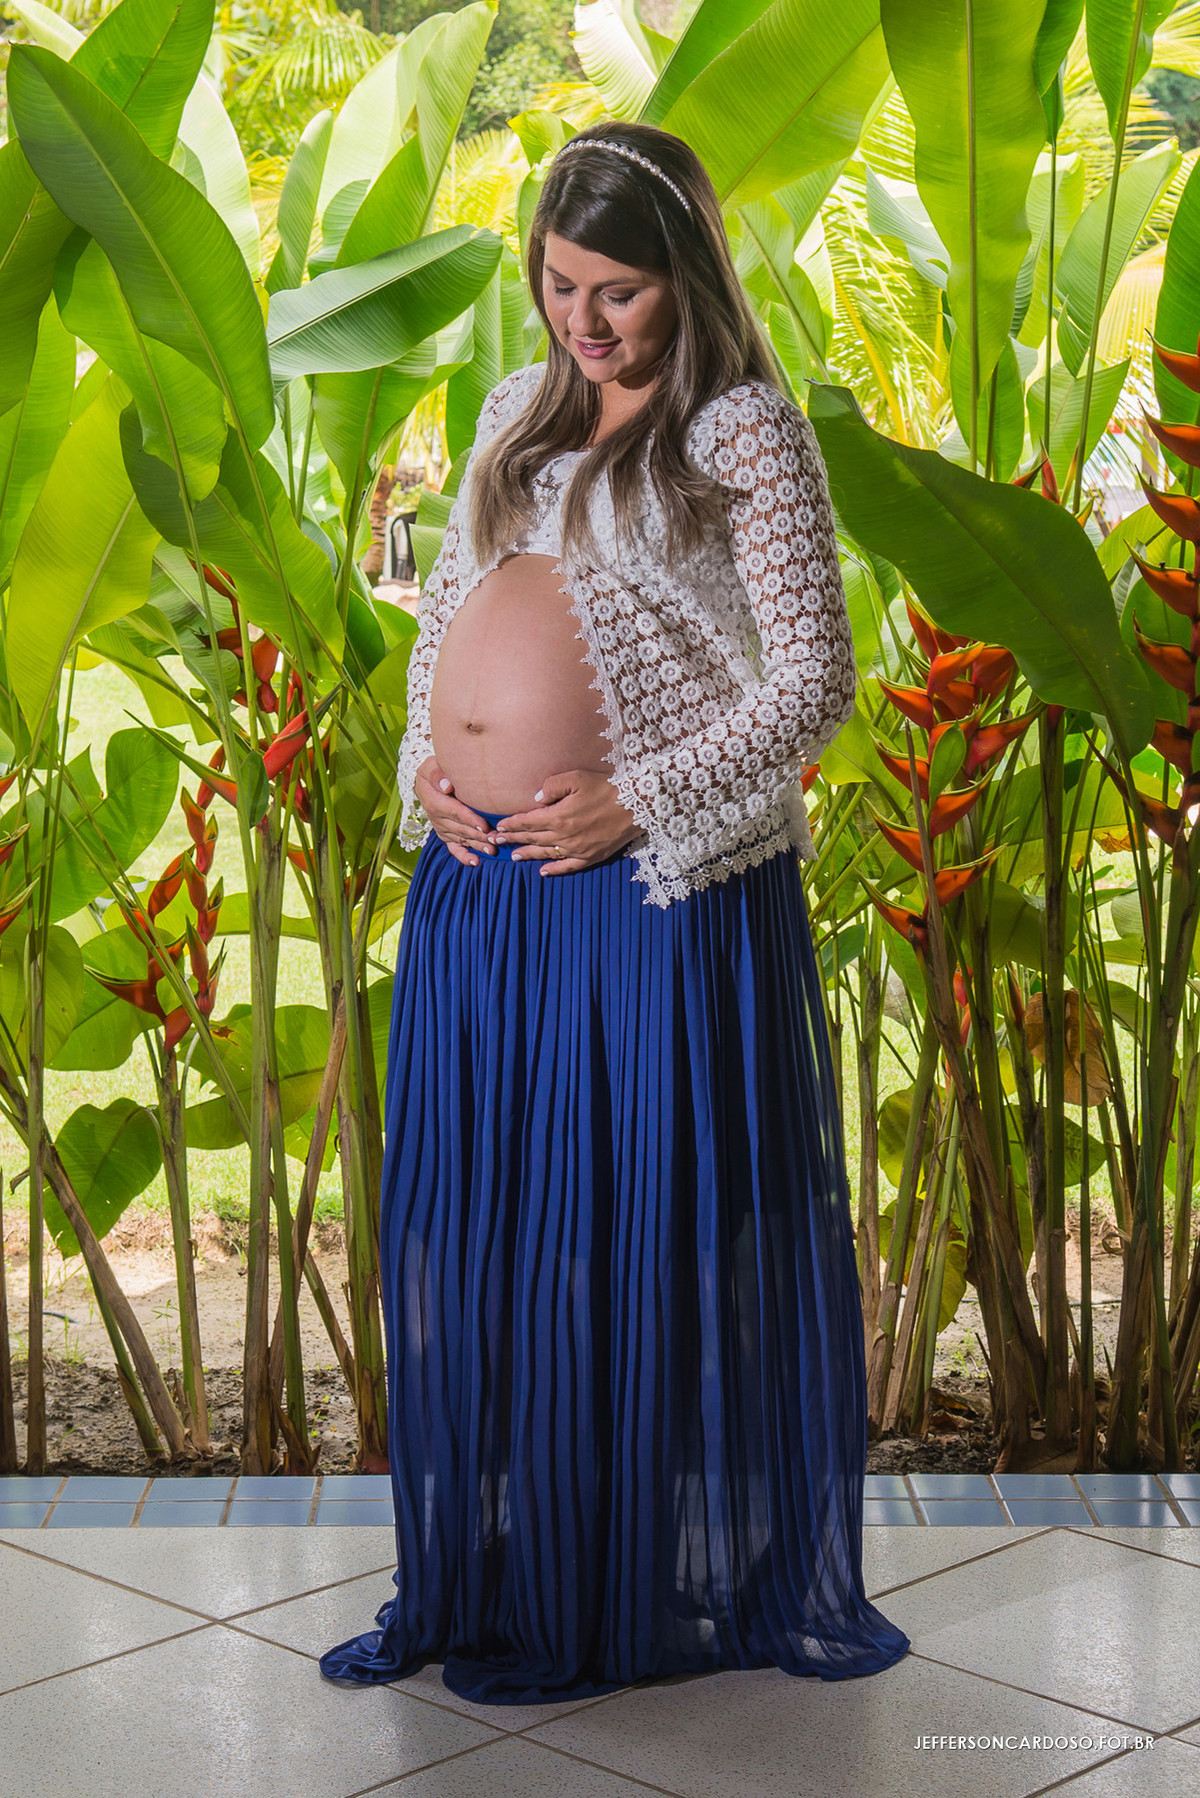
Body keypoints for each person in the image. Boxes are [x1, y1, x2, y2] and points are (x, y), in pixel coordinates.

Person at [318, 120, 911, 1706]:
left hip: (643, 888)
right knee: (497, 1236)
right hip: (484, 890)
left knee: (622, 1236)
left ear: (688, 279)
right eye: (561, 284)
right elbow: (450, 618)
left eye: (621, 293)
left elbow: (815, 689)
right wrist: (424, 775)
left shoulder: (747, 436)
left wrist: (640, 793)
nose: (586, 322)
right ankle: (497, 1564)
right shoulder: (517, 412)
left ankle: (608, 1592)